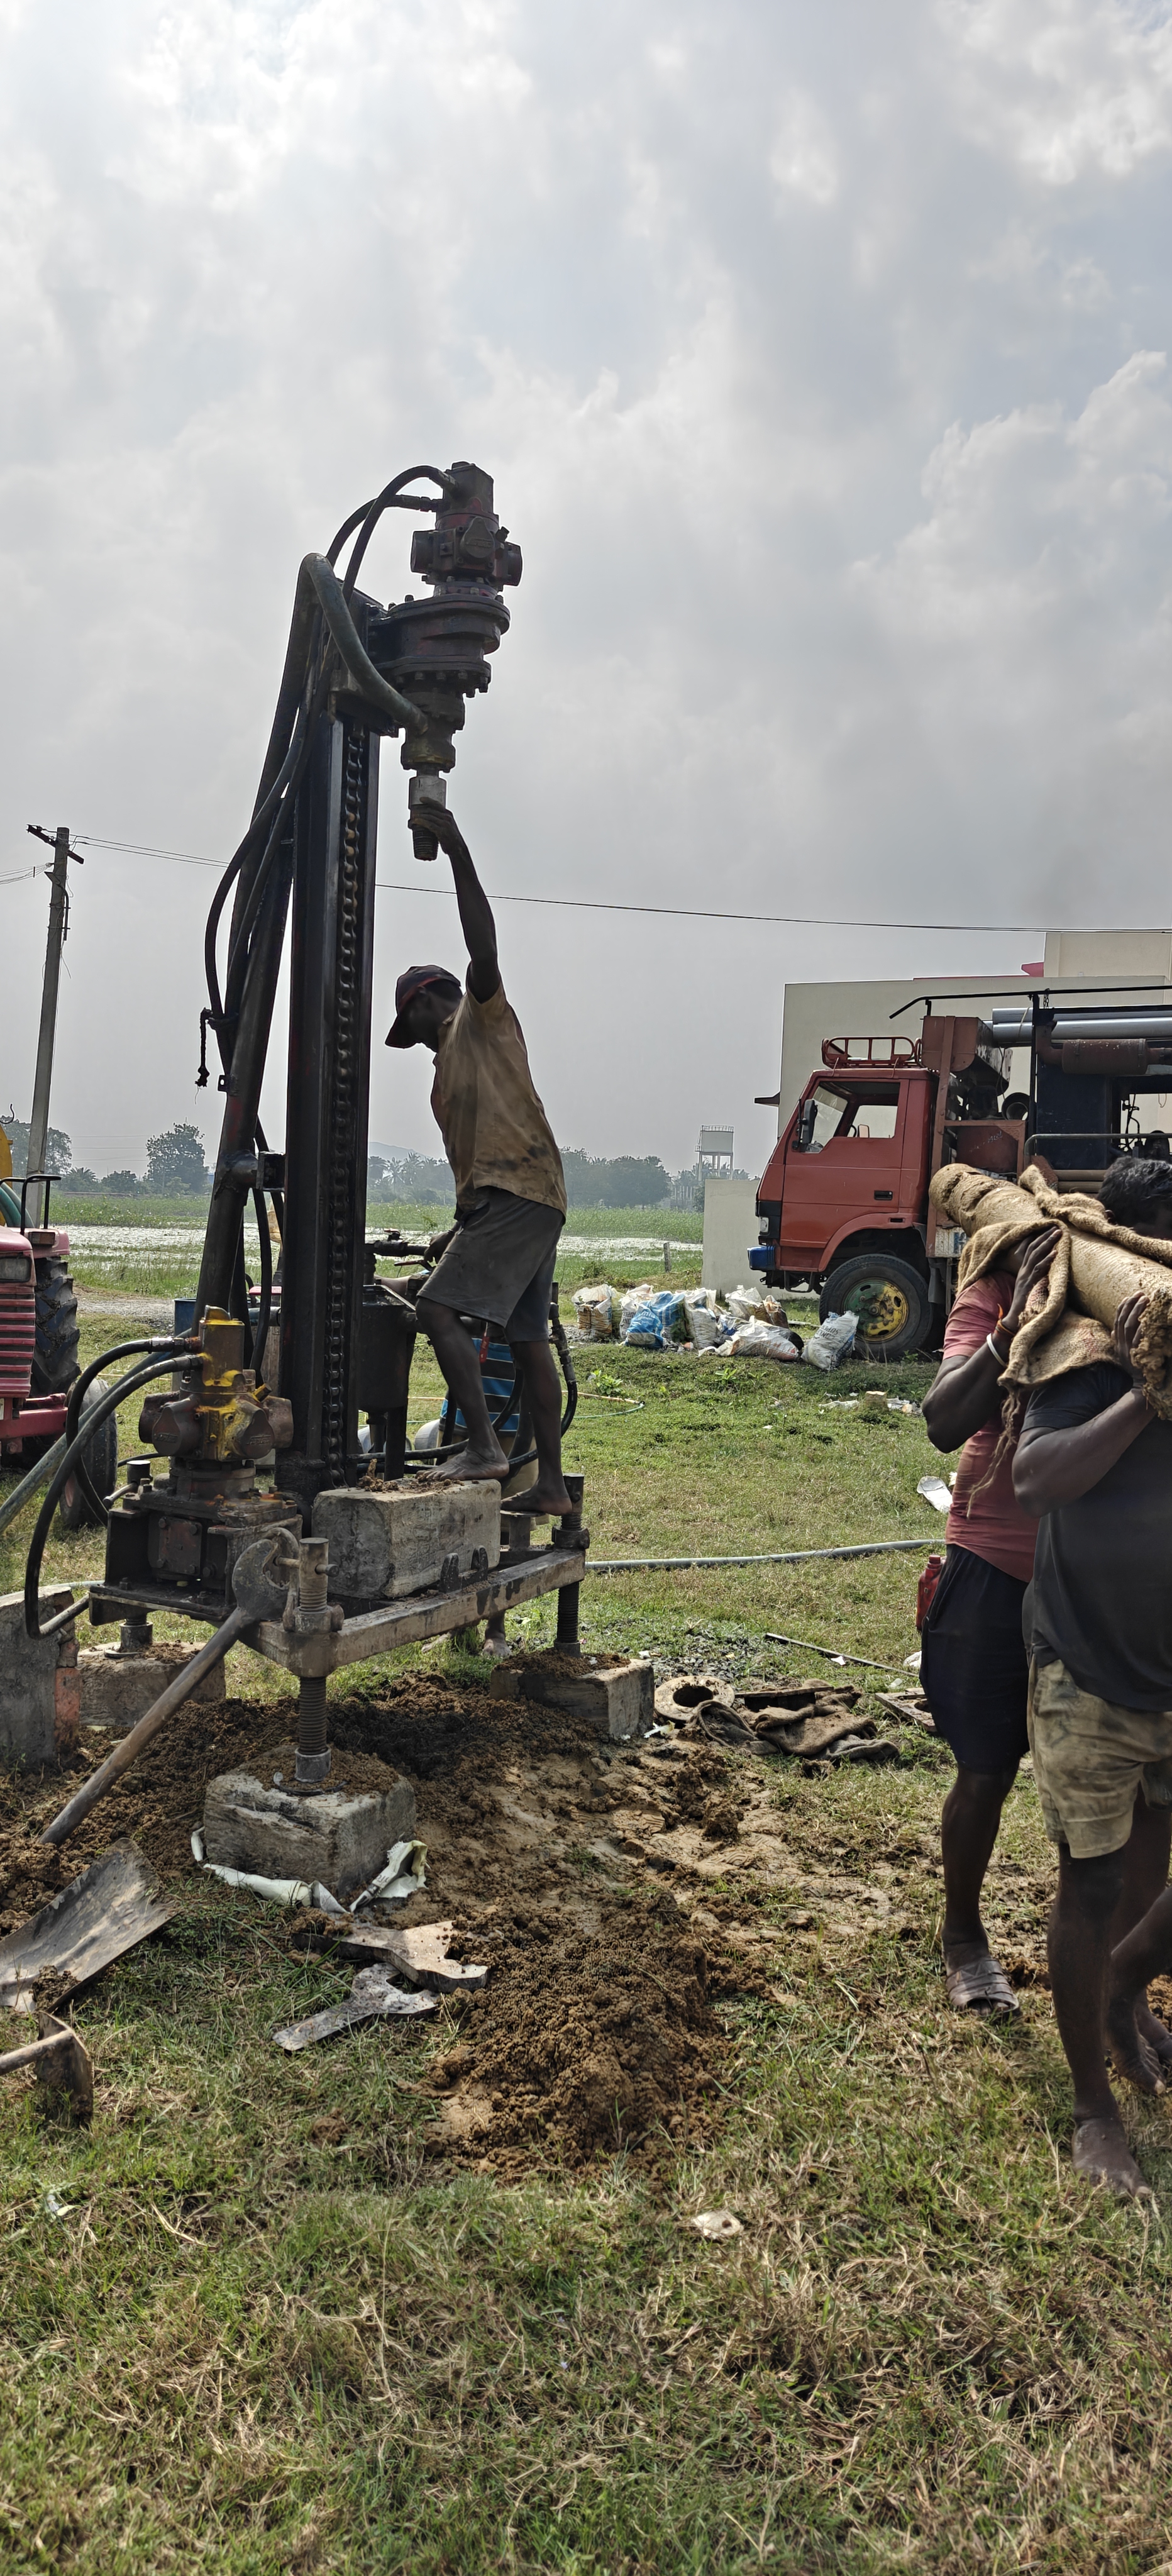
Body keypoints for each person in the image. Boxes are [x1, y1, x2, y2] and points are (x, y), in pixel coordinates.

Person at [1012, 1155, 1172, 2197]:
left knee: (1149, 1876)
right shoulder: (1079, 1342)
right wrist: (1142, 1399)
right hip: (1087, 1662)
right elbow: (1034, 1478)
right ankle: (1088, 2106)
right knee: (1094, 1883)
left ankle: (1121, 1986)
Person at [385, 799, 572, 1519]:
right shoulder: (445, 1073)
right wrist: (454, 1232)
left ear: (436, 999)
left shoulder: (479, 1018)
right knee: (527, 1340)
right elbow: (476, 1175)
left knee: (435, 1309)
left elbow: (481, 945)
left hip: (520, 1195)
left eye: (413, 1022)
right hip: (520, 1199)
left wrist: (456, 845)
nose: (418, 1037)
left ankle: (488, 1448)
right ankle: (549, 1485)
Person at [920, 1227, 1061, 2015]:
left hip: (1097, 1577)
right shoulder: (990, 1294)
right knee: (984, 1767)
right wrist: (1010, 1326)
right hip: (994, 1557)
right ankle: (963, 1935)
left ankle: (1110, 1962)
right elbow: (944, 1421)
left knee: (1119, 1783)